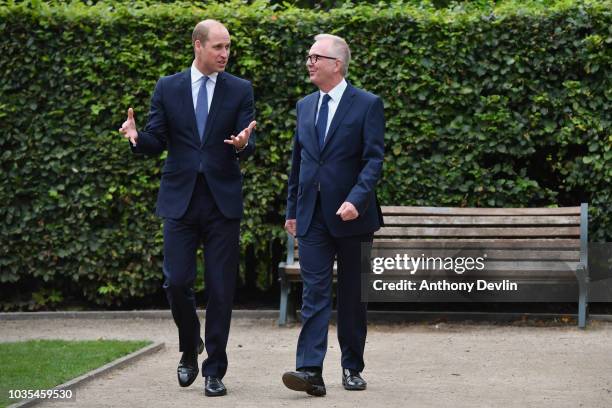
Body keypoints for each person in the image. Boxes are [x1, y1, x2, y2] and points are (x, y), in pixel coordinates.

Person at [119, 19, 256, 397]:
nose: (225, 53)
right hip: (179, 200)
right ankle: (189, 344)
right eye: (218, 47)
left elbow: (248, 140)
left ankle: (214, 370)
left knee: (221, 288)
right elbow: (156, 138)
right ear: (198, 45)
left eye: (228, 47)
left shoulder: (240, 89)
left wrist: (244, 144)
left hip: (221, 202)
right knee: (176, 282)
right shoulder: (168, 86)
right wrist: (136, 139)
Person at [282, 33, 385, 396]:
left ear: (336, 64)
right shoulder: (304, 106)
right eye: (308, 56)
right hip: (311, 217)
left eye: (316, 57)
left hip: (354, 217)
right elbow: (299, 162)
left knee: (354, 298)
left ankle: (352, 367)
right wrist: (292, 210)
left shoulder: (367, 104)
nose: (309, 62)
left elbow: (374, 160)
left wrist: (357, 198)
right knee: (314, 294)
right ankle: (310, 371)